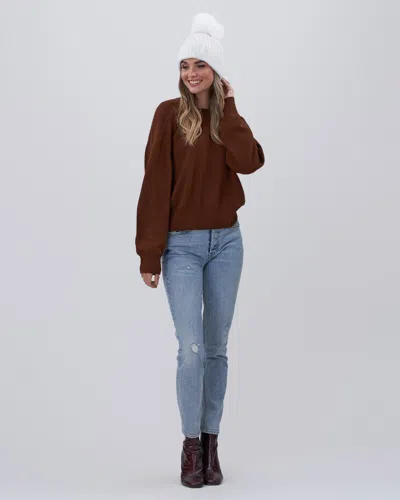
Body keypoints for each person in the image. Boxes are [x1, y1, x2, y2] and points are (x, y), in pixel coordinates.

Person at [135, 12, 265, 488]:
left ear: (215, 70)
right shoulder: (167, 115)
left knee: (215, 350)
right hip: (182, 247)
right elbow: (154, 184)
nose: (191, 73)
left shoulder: (227, 119)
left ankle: (212, 445)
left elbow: (251, 162)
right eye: (185, 65)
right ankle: (191, 445)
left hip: (227, 242)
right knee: (190, 350)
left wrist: (229, 109)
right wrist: (150, 253)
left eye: (200, 65)